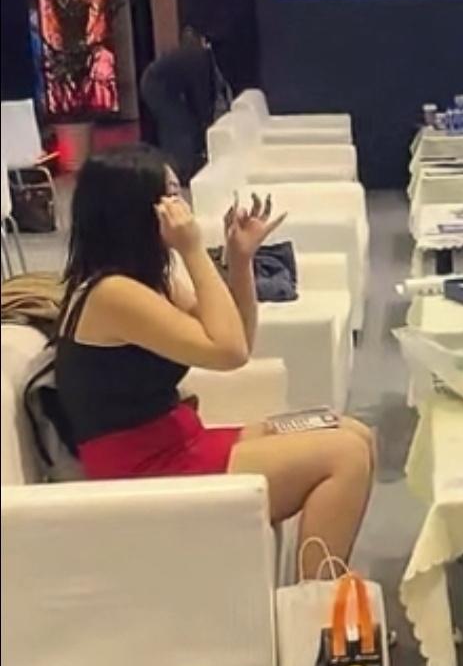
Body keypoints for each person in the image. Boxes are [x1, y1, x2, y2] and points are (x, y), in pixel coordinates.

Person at [55, 145, 374, 574]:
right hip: (144, 468)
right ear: (139, 210)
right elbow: (229, 352)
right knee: (344, 456)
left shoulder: (145, 280)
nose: (182, 207)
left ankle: (321, 591)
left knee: (352, 431)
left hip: (178, 440)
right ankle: (318, 602)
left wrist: (239, 260)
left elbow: (239, 338)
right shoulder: (113, 294)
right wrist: (193, 250)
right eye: (171, 195)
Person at [139, 26, 228, 183]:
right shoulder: (200, 60)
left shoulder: (203, 58)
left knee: (182, 125)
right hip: (155, 85)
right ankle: (180, 172)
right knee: (179, 126)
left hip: (160, 83)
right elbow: (200, 95)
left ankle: (181, 168)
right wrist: (205, 123)